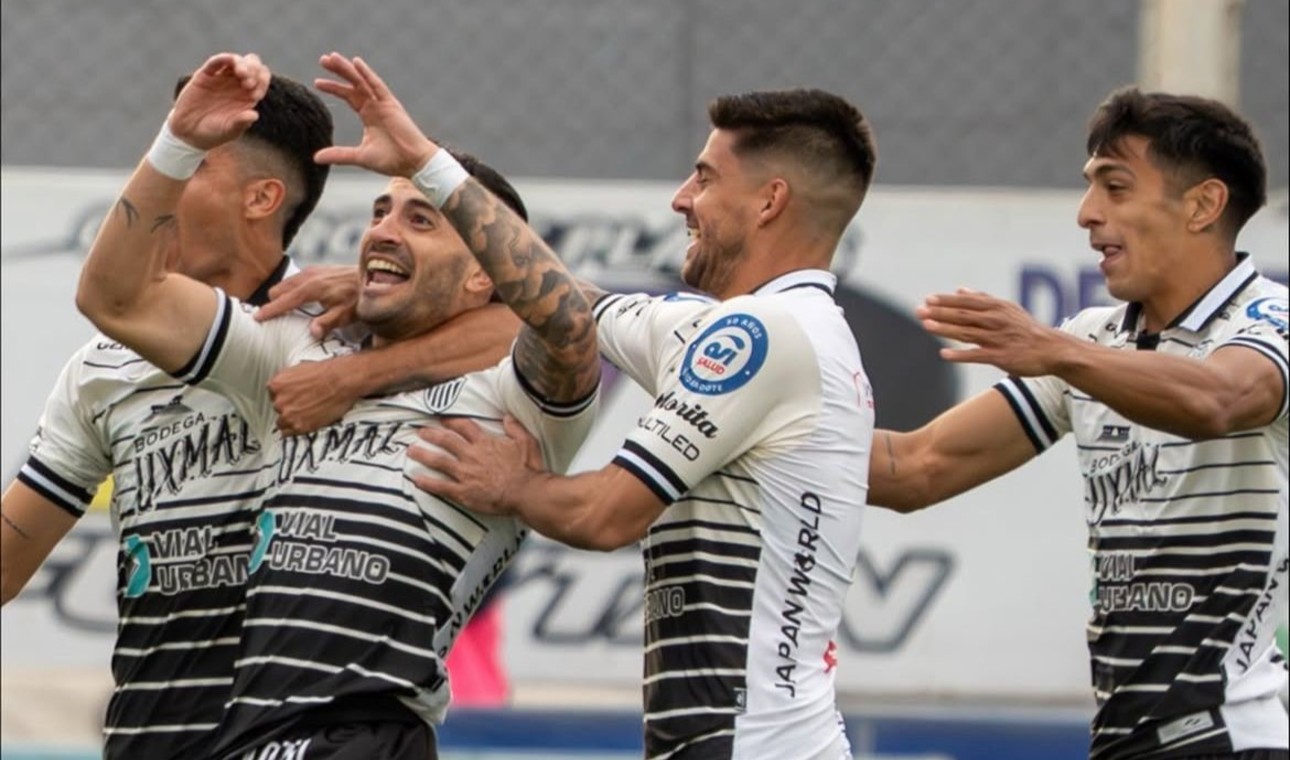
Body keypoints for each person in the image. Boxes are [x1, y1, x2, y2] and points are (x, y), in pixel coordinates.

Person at [73, 51, 599, 760]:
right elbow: (115, 296)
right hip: (247, 738)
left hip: (366, 732)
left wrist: (424, 156)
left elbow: (571, 319)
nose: (383, 229)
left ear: (485, 272)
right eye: (380, 211)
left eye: (423, 219)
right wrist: (180, 143)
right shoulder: (304, 351)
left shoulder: (513, 396)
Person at [415, 86, 880, 759]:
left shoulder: (763, 333)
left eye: (705, 177)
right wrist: (427, 206)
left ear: (770, 201)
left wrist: (514, 485)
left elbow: (606, 514)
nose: (681, 198)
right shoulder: (771, 328)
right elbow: (569, 306)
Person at [866, 88, 1288, 760]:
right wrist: (745, 437)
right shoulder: (1095, 342)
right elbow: (918, 467)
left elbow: (1221, 400)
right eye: (1090, 188)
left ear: (1203, 205)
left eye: (1115, 188)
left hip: (1229, 736)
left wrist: (1057, 352)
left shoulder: (1269, 321)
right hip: (1123, 741)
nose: (1087, 214)